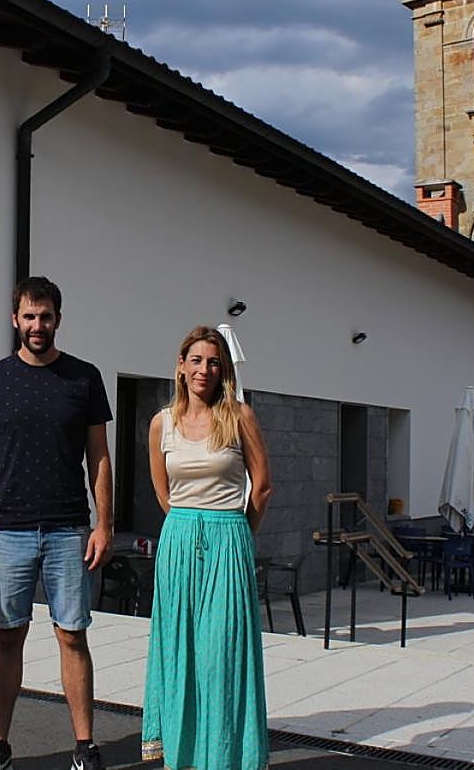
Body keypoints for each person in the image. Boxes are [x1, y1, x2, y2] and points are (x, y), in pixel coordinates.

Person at [0, 276, 114, 770]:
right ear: (15, 319)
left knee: (72, 634)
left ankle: (85, 746)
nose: (37, 325)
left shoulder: (84, 378)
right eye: (29, 316)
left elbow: (100, 457)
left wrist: (104, 524)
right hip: (8, 528)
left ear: (58, 320)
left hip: (69, 528)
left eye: (45, 317)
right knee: (9, 632)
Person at [141, 325, 274, 770]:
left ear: (224, 370)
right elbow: (163, 495)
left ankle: (224, 759)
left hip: (228, 539)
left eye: (213, 362)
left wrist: (236, 534)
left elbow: (263, 487)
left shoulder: (240, 416)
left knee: (222, 657)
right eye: (196, 360)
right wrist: (188, 527)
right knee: (179, 653)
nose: (204, 369)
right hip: (178, 541)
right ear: (180, 367)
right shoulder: (162, 422)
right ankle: (180, 758)